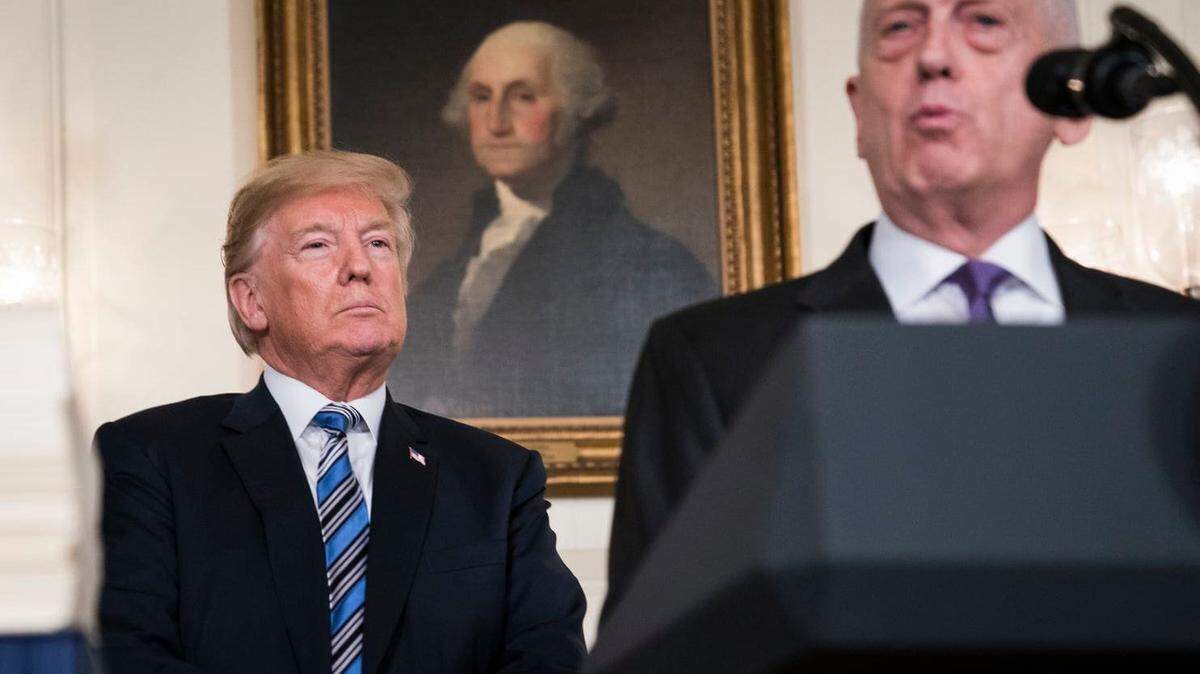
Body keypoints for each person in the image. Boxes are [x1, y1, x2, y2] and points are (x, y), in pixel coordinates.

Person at [603, 0, 1200, 623]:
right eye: (900, 28)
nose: (934, 57)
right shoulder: (709, 362)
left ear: (1071, 99)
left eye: (984, 23)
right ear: (860, 112)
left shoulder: (1180, 349)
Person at [96, 151, 586, 673]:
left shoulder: (497, 478)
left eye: (379, 244)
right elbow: (127, 653)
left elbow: (549, 656)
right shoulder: (152, 459)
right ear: (251, 300)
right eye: (317, 246)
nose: (360, 268)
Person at [390, 21, 716, 418]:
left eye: (523, 96)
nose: (496, 122)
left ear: (578, 109)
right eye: (481, 96)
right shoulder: (451, 273)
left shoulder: (650, 265)